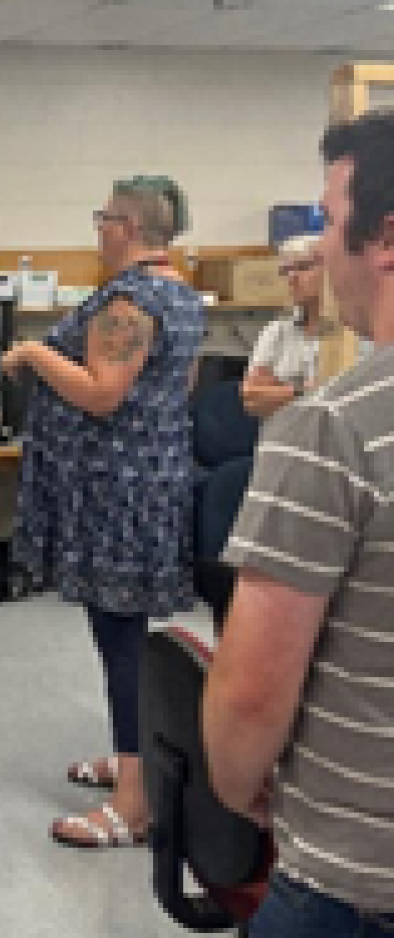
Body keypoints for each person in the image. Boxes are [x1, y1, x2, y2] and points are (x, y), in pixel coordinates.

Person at [204, 110, 394, 934]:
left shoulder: (333, 428)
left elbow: (250, 700)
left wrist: (236, 790)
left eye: (326, 217)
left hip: (354, 887)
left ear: (384, 238)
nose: (316, 247)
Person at [3, 176, 204, 850]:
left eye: (105, 218)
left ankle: (134, 804)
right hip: (148, 481)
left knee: (121, 644)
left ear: (129, 226)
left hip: (118, 494)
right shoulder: (180, 294)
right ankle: (132, 760)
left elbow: (102, 394)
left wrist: (34, 352)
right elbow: (181, 385)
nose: (98, 228)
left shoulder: (130, 301)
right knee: (120, 638)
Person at [241, 233, 326, 419]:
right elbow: (252, 398)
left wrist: (279, 391)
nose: (291, 277)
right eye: (286, 270)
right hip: (280, 439)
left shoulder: (350, 332)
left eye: (303, 267)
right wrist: (305, 392)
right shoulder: (277, 331)